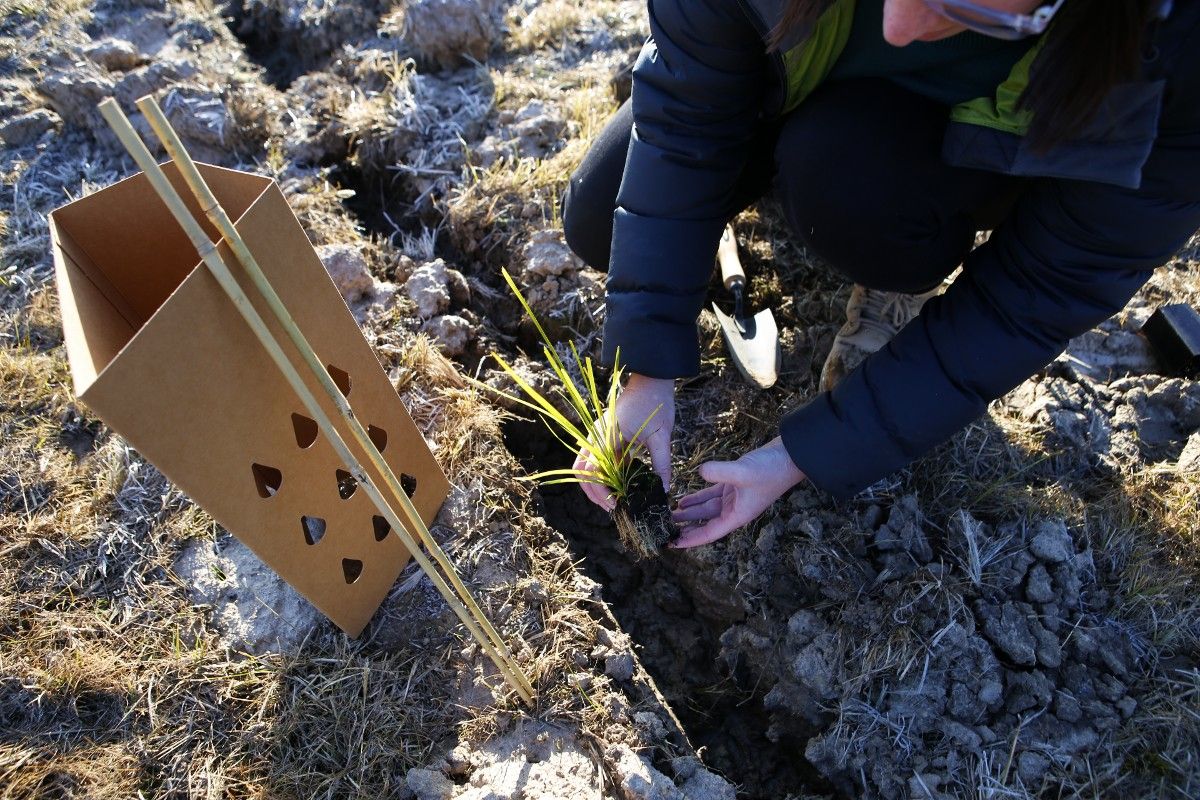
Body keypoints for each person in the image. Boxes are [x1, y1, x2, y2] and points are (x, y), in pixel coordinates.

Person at [561, 0, 1200, 548]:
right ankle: (759, 195)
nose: (897, 26)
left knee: (845, 176)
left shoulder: (1180, 53)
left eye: (960, 7)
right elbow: (683, 116)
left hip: (923, 152)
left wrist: (800, 457)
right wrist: (646, 371)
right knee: (599, 219)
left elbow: (1033, 300)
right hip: (790, 77)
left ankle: (896, 267)